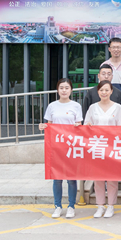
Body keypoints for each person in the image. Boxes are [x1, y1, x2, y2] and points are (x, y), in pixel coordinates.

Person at [39, 78, 82, 219]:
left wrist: (78, 126)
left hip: (70, 146)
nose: (64, 90)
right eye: (61, 88)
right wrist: (43, 126)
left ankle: (71, 206)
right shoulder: (52, 106)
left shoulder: (76, 106)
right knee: (57, 178)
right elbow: (49, 124)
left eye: (66, 88)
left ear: (71, 90)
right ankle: (57, 206)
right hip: (56, 147)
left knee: (71, 178)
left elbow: (79, 125)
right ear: (57, 90)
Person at [84, 80, 121, 219]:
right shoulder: (92, 107)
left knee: (112, 178)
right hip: (97, 148)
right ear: (98, 92)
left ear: (111, 91)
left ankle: (111, 205)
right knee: (98, 178)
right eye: (101, 90)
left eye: (107, 90)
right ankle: (100, 205)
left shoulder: (117, 107)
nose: (104, 92)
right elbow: (86, 125)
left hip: (112, 148)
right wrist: (88, 125)